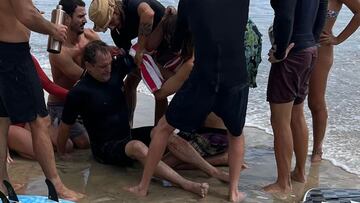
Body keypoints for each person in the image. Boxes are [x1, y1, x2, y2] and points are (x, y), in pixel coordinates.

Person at [126, 0, 251, 202]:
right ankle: (234, 192)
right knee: (236, 134)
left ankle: (142, 187)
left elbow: (177, 42)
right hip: (235, 76)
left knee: (162, 129)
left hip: (204, 77)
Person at [57, 40, 210, 197]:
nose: (108, 69)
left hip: (126, 136)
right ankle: (187, 184)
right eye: (102, 66)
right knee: (136, 146)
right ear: (88, 66)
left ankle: (212, 171)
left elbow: (140, 50)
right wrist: (62, 153)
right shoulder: (79, 92)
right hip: (105, 149)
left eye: (109, 63)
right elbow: (65, 125)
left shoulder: (115, 70)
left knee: (162, 132)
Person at [0, 0, 83, 200]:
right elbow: (26, 14)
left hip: (4, 51)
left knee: (1, 121)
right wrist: (52, 29)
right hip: (13, 55)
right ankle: (56, 185)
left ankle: (2, 184)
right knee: (40, 121)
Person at [263, 0, 327, 195]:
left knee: (279, 120)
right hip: (309, 50)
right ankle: (299, 173)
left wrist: (281, 51)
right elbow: (322, 9)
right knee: (297, 113)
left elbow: (285, 16)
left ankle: (283, 183)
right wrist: (312, 40)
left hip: (293, 53)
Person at [88, 0, 169, 125]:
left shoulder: (130, 5)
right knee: (129, 82)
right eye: (107, 25)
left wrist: (141, 49)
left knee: (159, 89)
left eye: (110, 21)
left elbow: (148, 14)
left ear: (114, 10)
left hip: (168, 38)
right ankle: (128, 124)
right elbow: (128, 53)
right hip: (149, 49)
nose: (111, 26)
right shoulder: (116, 31)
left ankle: (158, 130)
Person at [308, 0, 360, 162]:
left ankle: (317, 150)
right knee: (290, 102)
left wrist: (338, 39)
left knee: (315, 102)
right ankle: (289, 143)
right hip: (295, 48)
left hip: (321, 48)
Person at [48, 0, 101, 150]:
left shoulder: (91, 37)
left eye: (85, 16)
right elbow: (85, 78)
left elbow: (105, 61)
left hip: (85, 101)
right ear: (66, 19)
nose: (85, 20)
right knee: (84, 143)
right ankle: (51, 127)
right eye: (80, 16)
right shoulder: (59, 50)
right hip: (61, 103)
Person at [8, 56, 73, 160]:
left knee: (67, 145)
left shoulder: (25, 57)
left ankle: (19, 147)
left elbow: (48, 84)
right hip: (7, 125)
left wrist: (75, 95)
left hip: (28, 119)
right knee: (42, 153)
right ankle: (12, 145)